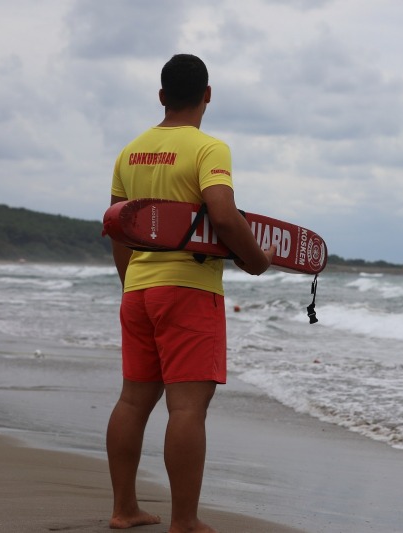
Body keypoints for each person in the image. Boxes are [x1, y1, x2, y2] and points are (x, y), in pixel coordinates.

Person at [106, 54, 276, 532]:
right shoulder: (208, 149)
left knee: (132, 402)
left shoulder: (129, 152)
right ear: (208, 94)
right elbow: (222, 213)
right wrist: (256, 261)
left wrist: (131, 283)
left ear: (162, 96)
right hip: (189, 290)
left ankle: (124, 509)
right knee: (186, 408)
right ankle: (184, 520)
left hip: (139, 290)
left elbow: (118, 226)